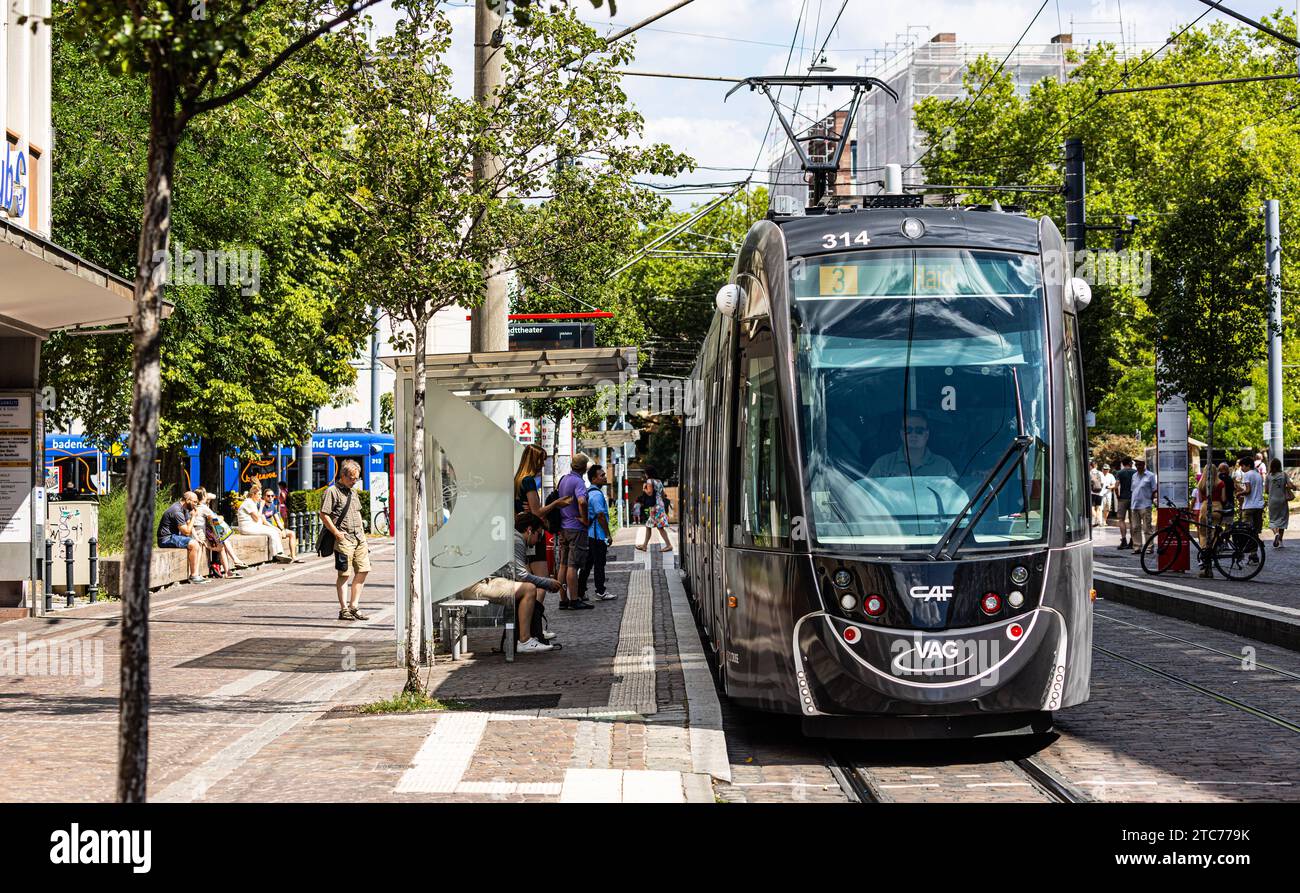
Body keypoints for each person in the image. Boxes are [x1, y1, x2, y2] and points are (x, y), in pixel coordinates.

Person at [460, 514, 560, 654]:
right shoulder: (517, 540)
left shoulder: (512, 537)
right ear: (529, 530)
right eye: (538, 534)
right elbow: (522, 575)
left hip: (479, 581)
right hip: (478, 584)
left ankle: (523, 637)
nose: (538, 540)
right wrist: (548, 583)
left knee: (522, 587)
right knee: (529, 589)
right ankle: (525, 640)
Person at [320, 459, 371, 621]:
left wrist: (364, 536)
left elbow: (357, 513)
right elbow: (324, 514)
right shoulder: (332, 491)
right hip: (344, 538)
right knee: (344, 574)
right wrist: (336, 533)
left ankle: (354, 605)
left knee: (363, 569)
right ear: (343, 475)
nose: (354, 481)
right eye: (351, 478)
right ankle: (344, 609)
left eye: (356, 478)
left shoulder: (353, 492)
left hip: (359, 537)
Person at [513, 444, 572, 580]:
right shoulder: (528, 481)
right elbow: (538, 512)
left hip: (522, 532)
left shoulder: (517, 480)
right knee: (542, 578)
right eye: (541, 460)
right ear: (534, 460)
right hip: (533, 532)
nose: (543, 464)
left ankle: (531, 602)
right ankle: (535, 602)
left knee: (527, 576)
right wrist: (557, 503)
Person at [867, 411, 958, 480]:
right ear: (901, 434)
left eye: (919, 430)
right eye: (908, 430)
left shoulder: (944, 466)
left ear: (926, 435)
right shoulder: (883, 465)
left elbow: (956, 498)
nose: (913, 434)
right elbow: (865, 494)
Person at [554, 453, 593, 610]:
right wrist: (584, 519)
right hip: (576, 528)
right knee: (573, 565)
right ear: (584, 468)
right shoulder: (578, 482)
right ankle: (574, 599)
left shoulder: (563, 480)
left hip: (563, 528)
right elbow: (582, 501)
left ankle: (563, 599)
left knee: (563, 565)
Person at [578, 464, 615, 602]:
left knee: (587, 565)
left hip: (589, 535)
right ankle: (600, 591)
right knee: (599, 564)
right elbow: (600, 515)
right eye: (602, 475)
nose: (605, 477)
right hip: (597, 535)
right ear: (594, 479)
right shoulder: (597, 496)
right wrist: (608, 534)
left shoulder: (589, 493)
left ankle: (580, 591)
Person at [193, 487, 247, 577]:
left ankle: (232, 566)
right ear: (203, 496)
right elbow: (216, 519)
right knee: (221, 533)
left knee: (221, 538)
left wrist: (206, 496)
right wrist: (222, 518)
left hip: (199, 532)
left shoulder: (195, 506)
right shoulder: (203, 508)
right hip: (200, 535)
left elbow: (213, 496)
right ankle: (233, 563)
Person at [157, 491, 207, 584]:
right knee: (194, 544)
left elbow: (189, 525)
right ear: (188, 500)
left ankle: (196, 573)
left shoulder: (184, 508)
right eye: (195, 502)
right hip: (166, 538)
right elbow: (187, 532)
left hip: (174, 536)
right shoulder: (176, 511)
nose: (196, 504)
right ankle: (193, 576)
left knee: (197, 543)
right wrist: (194, 517)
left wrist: (197, 538)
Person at [239, 482, 294, 564]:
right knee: (272, 532)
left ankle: (279, 553)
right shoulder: (248, 503)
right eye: (259, 494)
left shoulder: (253, 503)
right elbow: (257, 518)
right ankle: (277, 554)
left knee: (274, 531)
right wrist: (261, 506)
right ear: (253, 494)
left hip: (253, 526)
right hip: (248, 528)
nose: (260, 497)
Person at [637, 466, 673, 552]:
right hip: (660, 505)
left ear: (648, 473)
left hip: (655, 506)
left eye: (645, 473)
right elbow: (663, 494)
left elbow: (649, 493)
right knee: (649, 525)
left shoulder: (649, 481)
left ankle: (668, 545)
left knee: (659, 527)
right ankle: (644, 545)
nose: (645, 475)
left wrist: (644, 489)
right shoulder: (659, 481)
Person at [1128, 458, 1157, 553]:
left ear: (1144, 464)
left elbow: (1154, 490)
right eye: (1136, 465)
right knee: (1135, 528)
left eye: (1139, 465)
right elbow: (1133, 490)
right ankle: (1137, 547)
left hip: (1146, 505)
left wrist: (1152, 500)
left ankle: (1149, 548)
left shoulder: (1150, 476)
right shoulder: (1134, 476)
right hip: (1134, 505)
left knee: (1147, 528)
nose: (1138, 467)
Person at [261, 486, 300, 556]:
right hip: (265, 527)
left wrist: (282, 529)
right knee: (278, 533)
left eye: (272, 496)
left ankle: (293, 556)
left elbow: (277, 520)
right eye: (268, 496)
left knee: (292, 533)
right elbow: (264, 522)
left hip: (272, 527)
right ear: (264, 497)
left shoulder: (273, 506)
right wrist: (276, 529)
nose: (270, 497)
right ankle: (280, 555)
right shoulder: (261, 506)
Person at [1266, 458, 1293, 548]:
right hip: (1282, 500)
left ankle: (1276, 533)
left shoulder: (1269, 476)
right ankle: (1280, 541)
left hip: (1272, 500)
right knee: (1282, 519)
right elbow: (1289, 485)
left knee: (1273, 520)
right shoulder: (1284, 474)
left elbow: (1266, 490)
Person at [1238, 456, 1265, 535]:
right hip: (1259, 506)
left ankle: (1249, 547)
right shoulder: (1258, 475)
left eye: (1242, 466)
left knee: (1247, 531)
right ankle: (1255, 546)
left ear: (1248, 465)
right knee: (1256, 531)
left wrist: (1239, 493)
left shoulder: (1247, 475)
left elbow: (1248, 490)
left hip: (1249, 506)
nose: (1241, 468)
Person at [1113, 458, 1136, 549]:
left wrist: (1118, 496)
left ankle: (1123, 540)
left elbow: (1116, 487)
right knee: (1132, 520)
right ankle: (1132, 541)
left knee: (1121, 520)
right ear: (1130, 463)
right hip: (1133, 498)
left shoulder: (1120, 473)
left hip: (1122, 498)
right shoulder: (1135, 472)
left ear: (1122, 463)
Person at [1089, 459, 1104, 527]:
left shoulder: (1089, 473)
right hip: (1100, 493)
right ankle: (1097, 522)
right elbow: (1103, 483)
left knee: (1091, 508)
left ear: (1090, 466)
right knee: (1098, 508)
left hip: (1092, 492)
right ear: (1096, 465)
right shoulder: (1100, 473)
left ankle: (1097, 519)